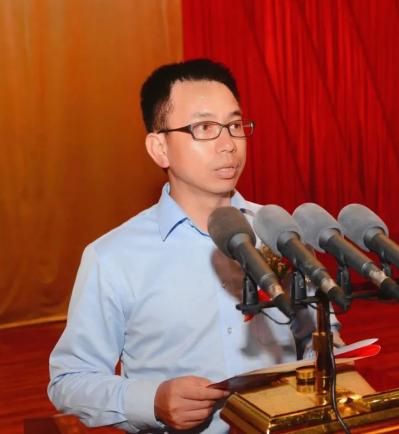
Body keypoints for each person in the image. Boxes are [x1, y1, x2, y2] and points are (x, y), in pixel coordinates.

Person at [48, 58, 343, 433]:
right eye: (204, 128)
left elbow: (316, 333)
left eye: (234, 125)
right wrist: (151, 400)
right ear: (160, 148)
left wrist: (327, 353)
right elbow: (70, 380)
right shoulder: (113, 257)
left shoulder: (280, 231)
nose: (229, 144)